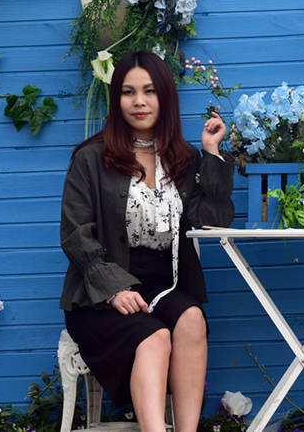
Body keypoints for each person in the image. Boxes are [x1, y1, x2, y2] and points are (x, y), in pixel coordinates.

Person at [59, 50, 235, 432]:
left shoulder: (184, 158)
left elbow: (213, 220)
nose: (139, 101)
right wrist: (113, 288)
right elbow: (75, 233)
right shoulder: (91, 158)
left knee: (191, 319)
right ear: (117, 99)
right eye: (129, 92)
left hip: (162, 285)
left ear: (165, 97)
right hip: (100, 293)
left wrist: (211, 154)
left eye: (149, 91)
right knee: (154, 336)